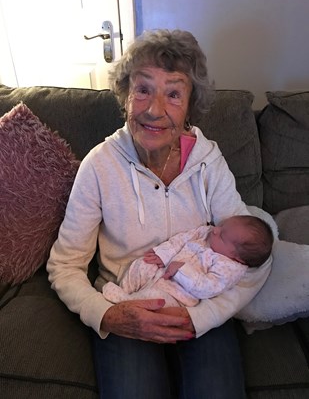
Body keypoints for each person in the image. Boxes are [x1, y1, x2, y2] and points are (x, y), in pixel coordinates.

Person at [47, 29, 272, 399]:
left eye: (173, 93)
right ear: (125, 96)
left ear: (190, 105)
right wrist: (106, 315)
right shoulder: (99, 166)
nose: (154, 110)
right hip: (127, 304)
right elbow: (66, 265)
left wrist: (200, 317)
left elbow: (254, 260)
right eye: (143, 89)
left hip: (198, 305)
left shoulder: (208, 162)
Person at [103, 215, 274, 307]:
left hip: (176, 296)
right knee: (142, 264)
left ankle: (125, 304)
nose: (215, 230)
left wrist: (182, 270)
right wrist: (164, 254)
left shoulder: (229, 268)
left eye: (222, 235)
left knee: (154, 299)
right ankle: (123, 291)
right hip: (160, 272)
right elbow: (182, 239)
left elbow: (207, 288)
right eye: (221, 225)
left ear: (236, 257)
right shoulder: (206, 233)